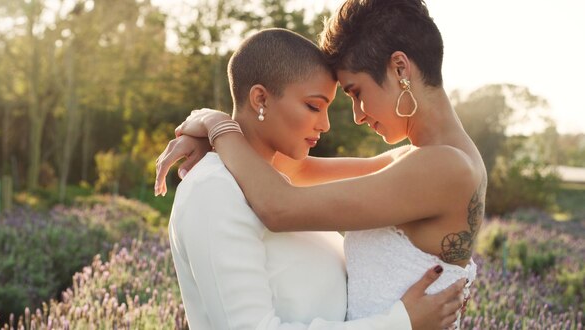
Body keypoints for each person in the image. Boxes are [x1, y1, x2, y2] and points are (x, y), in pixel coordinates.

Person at [156, 0, 483, 329]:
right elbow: (292, 169)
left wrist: (216, 125)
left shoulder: (446, 168)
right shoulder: (415, 160)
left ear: (400, 68)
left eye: (356, 92)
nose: (357, 115)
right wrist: (213, 133)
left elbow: (279, 205)